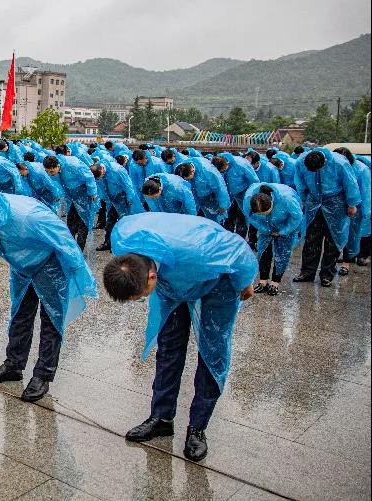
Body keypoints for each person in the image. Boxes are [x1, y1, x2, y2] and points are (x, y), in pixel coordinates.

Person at [103, 213, 257, 462]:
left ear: (151, 277)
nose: (143, 299)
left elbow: (240, 249)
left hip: (216, 282)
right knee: (168, 349)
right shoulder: (122, 239)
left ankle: (197, 428)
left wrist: (244, 281)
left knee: (211, 354)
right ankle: (161, 417)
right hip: (171, 287)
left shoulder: (200, 252)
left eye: (142, 295)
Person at [0, 192, 97, 402]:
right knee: (19, 314)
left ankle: (43, 376)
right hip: (21, 265)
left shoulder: (30, 217)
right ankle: (14, 364)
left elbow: (66, 242)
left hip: (50, 265)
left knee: (51, 320)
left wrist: (79, 276)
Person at [292, 149, 361, 286]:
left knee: (333, 240)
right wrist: (303, 199)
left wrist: (352, 204)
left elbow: (350, 184)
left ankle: (327, 274)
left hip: (336, 202)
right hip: (314, 202)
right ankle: (307, 272)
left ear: (324, 162)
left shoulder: (340, 163)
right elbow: (300, 181)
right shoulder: (301, 162)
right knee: (311, 238)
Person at [244, 183, 304, 295]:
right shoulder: (249, 198)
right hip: (264, 226)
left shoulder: (287, 199)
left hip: (286, 225)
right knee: (263, 251)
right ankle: (263, 281)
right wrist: (264, 228)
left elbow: (297, 217)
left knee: (282, 253)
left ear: (271, 204)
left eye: (265, 212)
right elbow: (250, 217)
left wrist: (283, 231)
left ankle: (275, 282)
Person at [42, 154, 98, 249]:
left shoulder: (73, 165)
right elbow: (57, 183)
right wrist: (58, 194)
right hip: (71, 197)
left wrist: (92, 192)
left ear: (58, 166)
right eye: (47, 172)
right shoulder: (54, 172)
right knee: (70, 224)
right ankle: (69, 248)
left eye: (51, 171)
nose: (50, 174)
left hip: (84, 195)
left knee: (83, 223)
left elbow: (89, 176)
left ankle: (79, 250)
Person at [331, 148, 371, 274]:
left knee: (353, 235)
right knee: (339, 234)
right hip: (340, 206)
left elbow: (366, 193)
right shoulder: (336, 167)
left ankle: (347, 262)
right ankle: (343, 258)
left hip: (357, 208)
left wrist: (366, 212)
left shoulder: (362, 170)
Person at [92, 158, 145, 252]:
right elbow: (101, 186)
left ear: (102, 170)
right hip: (112, 199)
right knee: (110, 221)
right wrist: (104, 198)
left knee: (126, 221)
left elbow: (128, 185)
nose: (101, 178)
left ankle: (128, 243)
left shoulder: (117, 170)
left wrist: (129, 198)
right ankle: (108, 243)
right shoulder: (98, 172)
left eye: (101, 176)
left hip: (124, 198)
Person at [211, 152, 260, 238]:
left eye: (223, 170)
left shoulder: (241, 164)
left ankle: (242, 238)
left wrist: (250, 196)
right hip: (229, 193)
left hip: (245, 193)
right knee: (228, 216)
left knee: (244, 216)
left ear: (227, 165)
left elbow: (254, 181)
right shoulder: (218, 166)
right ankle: (228, 238)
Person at [174, 158, 230, 223]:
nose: (187, 181)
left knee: (217, 217)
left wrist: (223, 205)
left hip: (212, 197)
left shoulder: (208, 171)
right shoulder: (182, 167)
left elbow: (220, 187)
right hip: (198, 196)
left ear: (192, 172)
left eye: (187, 179)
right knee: (208, 218)